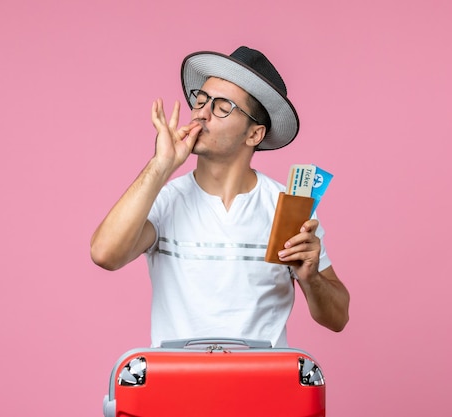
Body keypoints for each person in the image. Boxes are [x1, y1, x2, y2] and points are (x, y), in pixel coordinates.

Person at [90, 46, 349, 347]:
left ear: (254, 134)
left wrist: (311, 277)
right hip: (177, 386)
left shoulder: (286, 207)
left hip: (263, 387)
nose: (201, 113)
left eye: (222, 106)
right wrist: (160, 166)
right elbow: (104, 254)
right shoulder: (165, 200)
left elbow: (338, 318)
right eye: (201, 100)